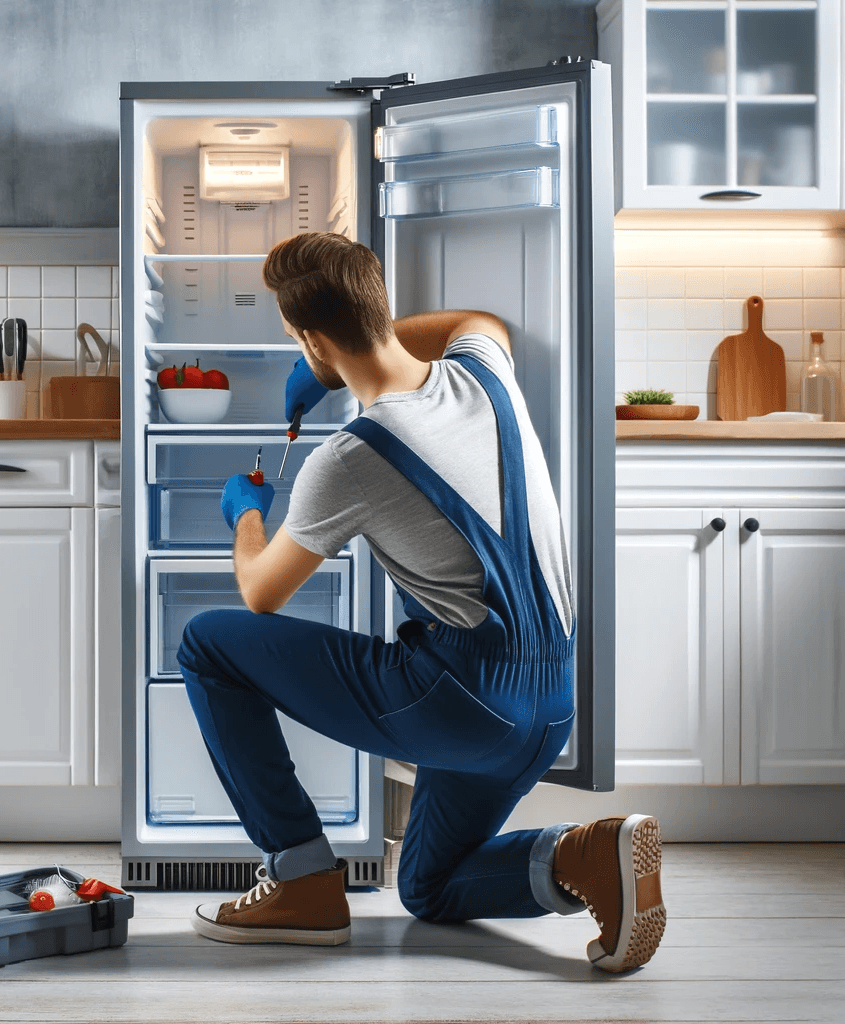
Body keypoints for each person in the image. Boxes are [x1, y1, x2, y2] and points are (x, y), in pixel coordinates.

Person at [177, 231, 665, 973]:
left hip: (464, 699)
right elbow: (478, 320)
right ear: (378, 303)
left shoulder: (350, 456)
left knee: (207, 643)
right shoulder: (484, 373)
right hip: (554, 699)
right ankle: (583, 852)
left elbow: (261, 591)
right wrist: (344, 356)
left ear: (308, 337)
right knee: (428, 886)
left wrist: (244, 513)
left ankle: (303, 879)